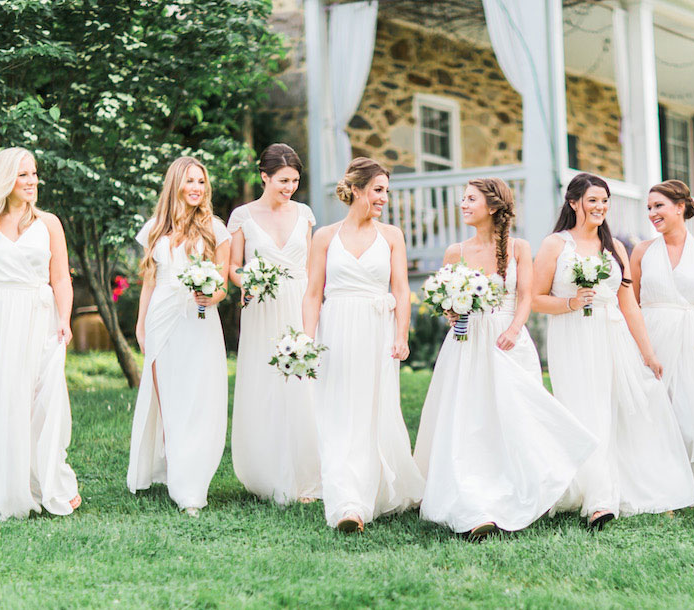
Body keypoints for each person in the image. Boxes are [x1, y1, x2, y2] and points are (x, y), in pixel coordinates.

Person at [414, 178, 596, 539]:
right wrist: (451, 312)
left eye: (470, 199)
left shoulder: (518, 248)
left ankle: (523, 486)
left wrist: (514, 329)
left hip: (507, 340)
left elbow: (527, 295)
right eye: (462, 198)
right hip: (467, 344)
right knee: (469, 419)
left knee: (517, 417)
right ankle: (471, 501)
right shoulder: (456, 251)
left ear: (493, 207)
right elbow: (447, 299)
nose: (463, 204)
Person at [532, 172, 694, 530]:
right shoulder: (554, 245)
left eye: (605, 201)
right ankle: (595, 496)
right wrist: (572, 302)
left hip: (613, 335)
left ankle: (611, 496)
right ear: (574, 203)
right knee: (585, 410)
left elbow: (630, 306)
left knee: (624, 408)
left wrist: (648, 353)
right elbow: (535, 299)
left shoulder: (615, 248)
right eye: (593, 200)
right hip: (572, 335)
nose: (600, 207)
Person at [0, 147, 80, 520]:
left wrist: (65, 319)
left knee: (45, 403)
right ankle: (13, 493)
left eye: (35, 174)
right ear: (5, 180)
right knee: (4, 405)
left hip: (41, 318)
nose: (33, 181)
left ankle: (51, 483)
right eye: (24, 175)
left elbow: (61, 278)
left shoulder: (49, 224)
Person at [303, 157, 424, 533]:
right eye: (377, 190)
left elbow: (401, 291)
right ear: (355, 189)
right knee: (337, 412)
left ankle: (373, 487)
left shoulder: (391, 236)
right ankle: (347, 504)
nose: (383, 198)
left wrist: (401, 335)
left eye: (386, 191)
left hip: (376, 330)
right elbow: (311, 294)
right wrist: (306, 341)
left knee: (373, 410)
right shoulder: (325, 236)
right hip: (336, 329)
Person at [127, 156, 232, 516]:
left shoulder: (216, 229)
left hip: (199, 320)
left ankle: (193, 483)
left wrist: (210, 294)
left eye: (201, 182)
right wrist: (141, 325)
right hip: (162, 319)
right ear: (176, 184)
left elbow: (221, 287)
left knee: (199, 397)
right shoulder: (155, 228)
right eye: (190, 181)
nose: (196, 188)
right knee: (169, 397)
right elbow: (149, 282)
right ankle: (177, 473)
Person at [227, 144, 320, 504]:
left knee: (302, 386)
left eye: (295, 180)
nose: (289, 188)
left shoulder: (305, 214)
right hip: (262, 307)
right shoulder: (242, 216)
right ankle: (268, 470)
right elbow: (233, 268)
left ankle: (305, 472)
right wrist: (250, 280)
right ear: (264, 176)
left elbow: (312, 268)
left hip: (298, 303)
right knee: (266, 384)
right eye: (283, 180)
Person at [630, 180, 694, 495]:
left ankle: (686, 486)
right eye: (649, 208)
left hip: (690, 341)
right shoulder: (642, 251)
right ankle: (656, 487)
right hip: (650, 338)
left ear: (680, 207)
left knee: (689, 416)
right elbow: (629, 303)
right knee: (652, 414)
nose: (652, 214)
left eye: (658, 206)